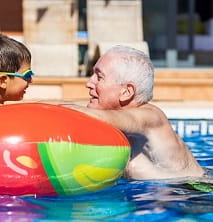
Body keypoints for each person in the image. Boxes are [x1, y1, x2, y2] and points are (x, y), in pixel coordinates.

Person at [64, 45, 205, 180]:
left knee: (132, 166)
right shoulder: (121, 118)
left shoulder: (150, 117)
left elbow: (110, 118)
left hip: (195, 192)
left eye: (99, 77)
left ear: (126, 92)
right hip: (168, 194)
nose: (88, 83)